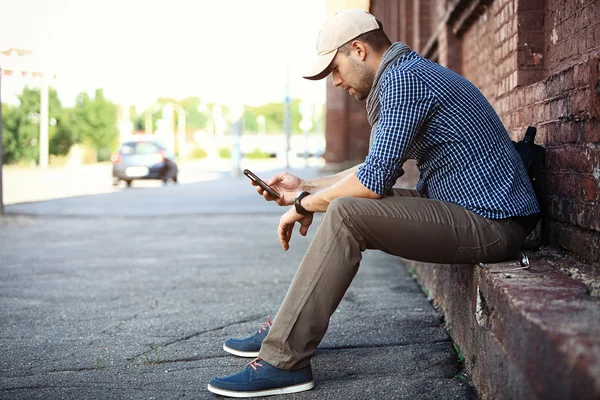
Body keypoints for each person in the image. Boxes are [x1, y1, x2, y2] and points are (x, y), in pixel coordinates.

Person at [207, 9, 540, 398]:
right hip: (469, 211)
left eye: (335, 68)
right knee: (343, 207)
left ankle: (284, 359)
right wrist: (306, 187)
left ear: (358, 50)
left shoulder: (404, 80)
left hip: (492, 222)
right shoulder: (405, 74)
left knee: (347, 213)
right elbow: (375, 168)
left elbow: (370, 183)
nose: (334, 82)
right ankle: (286, 328)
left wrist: (303, 205)